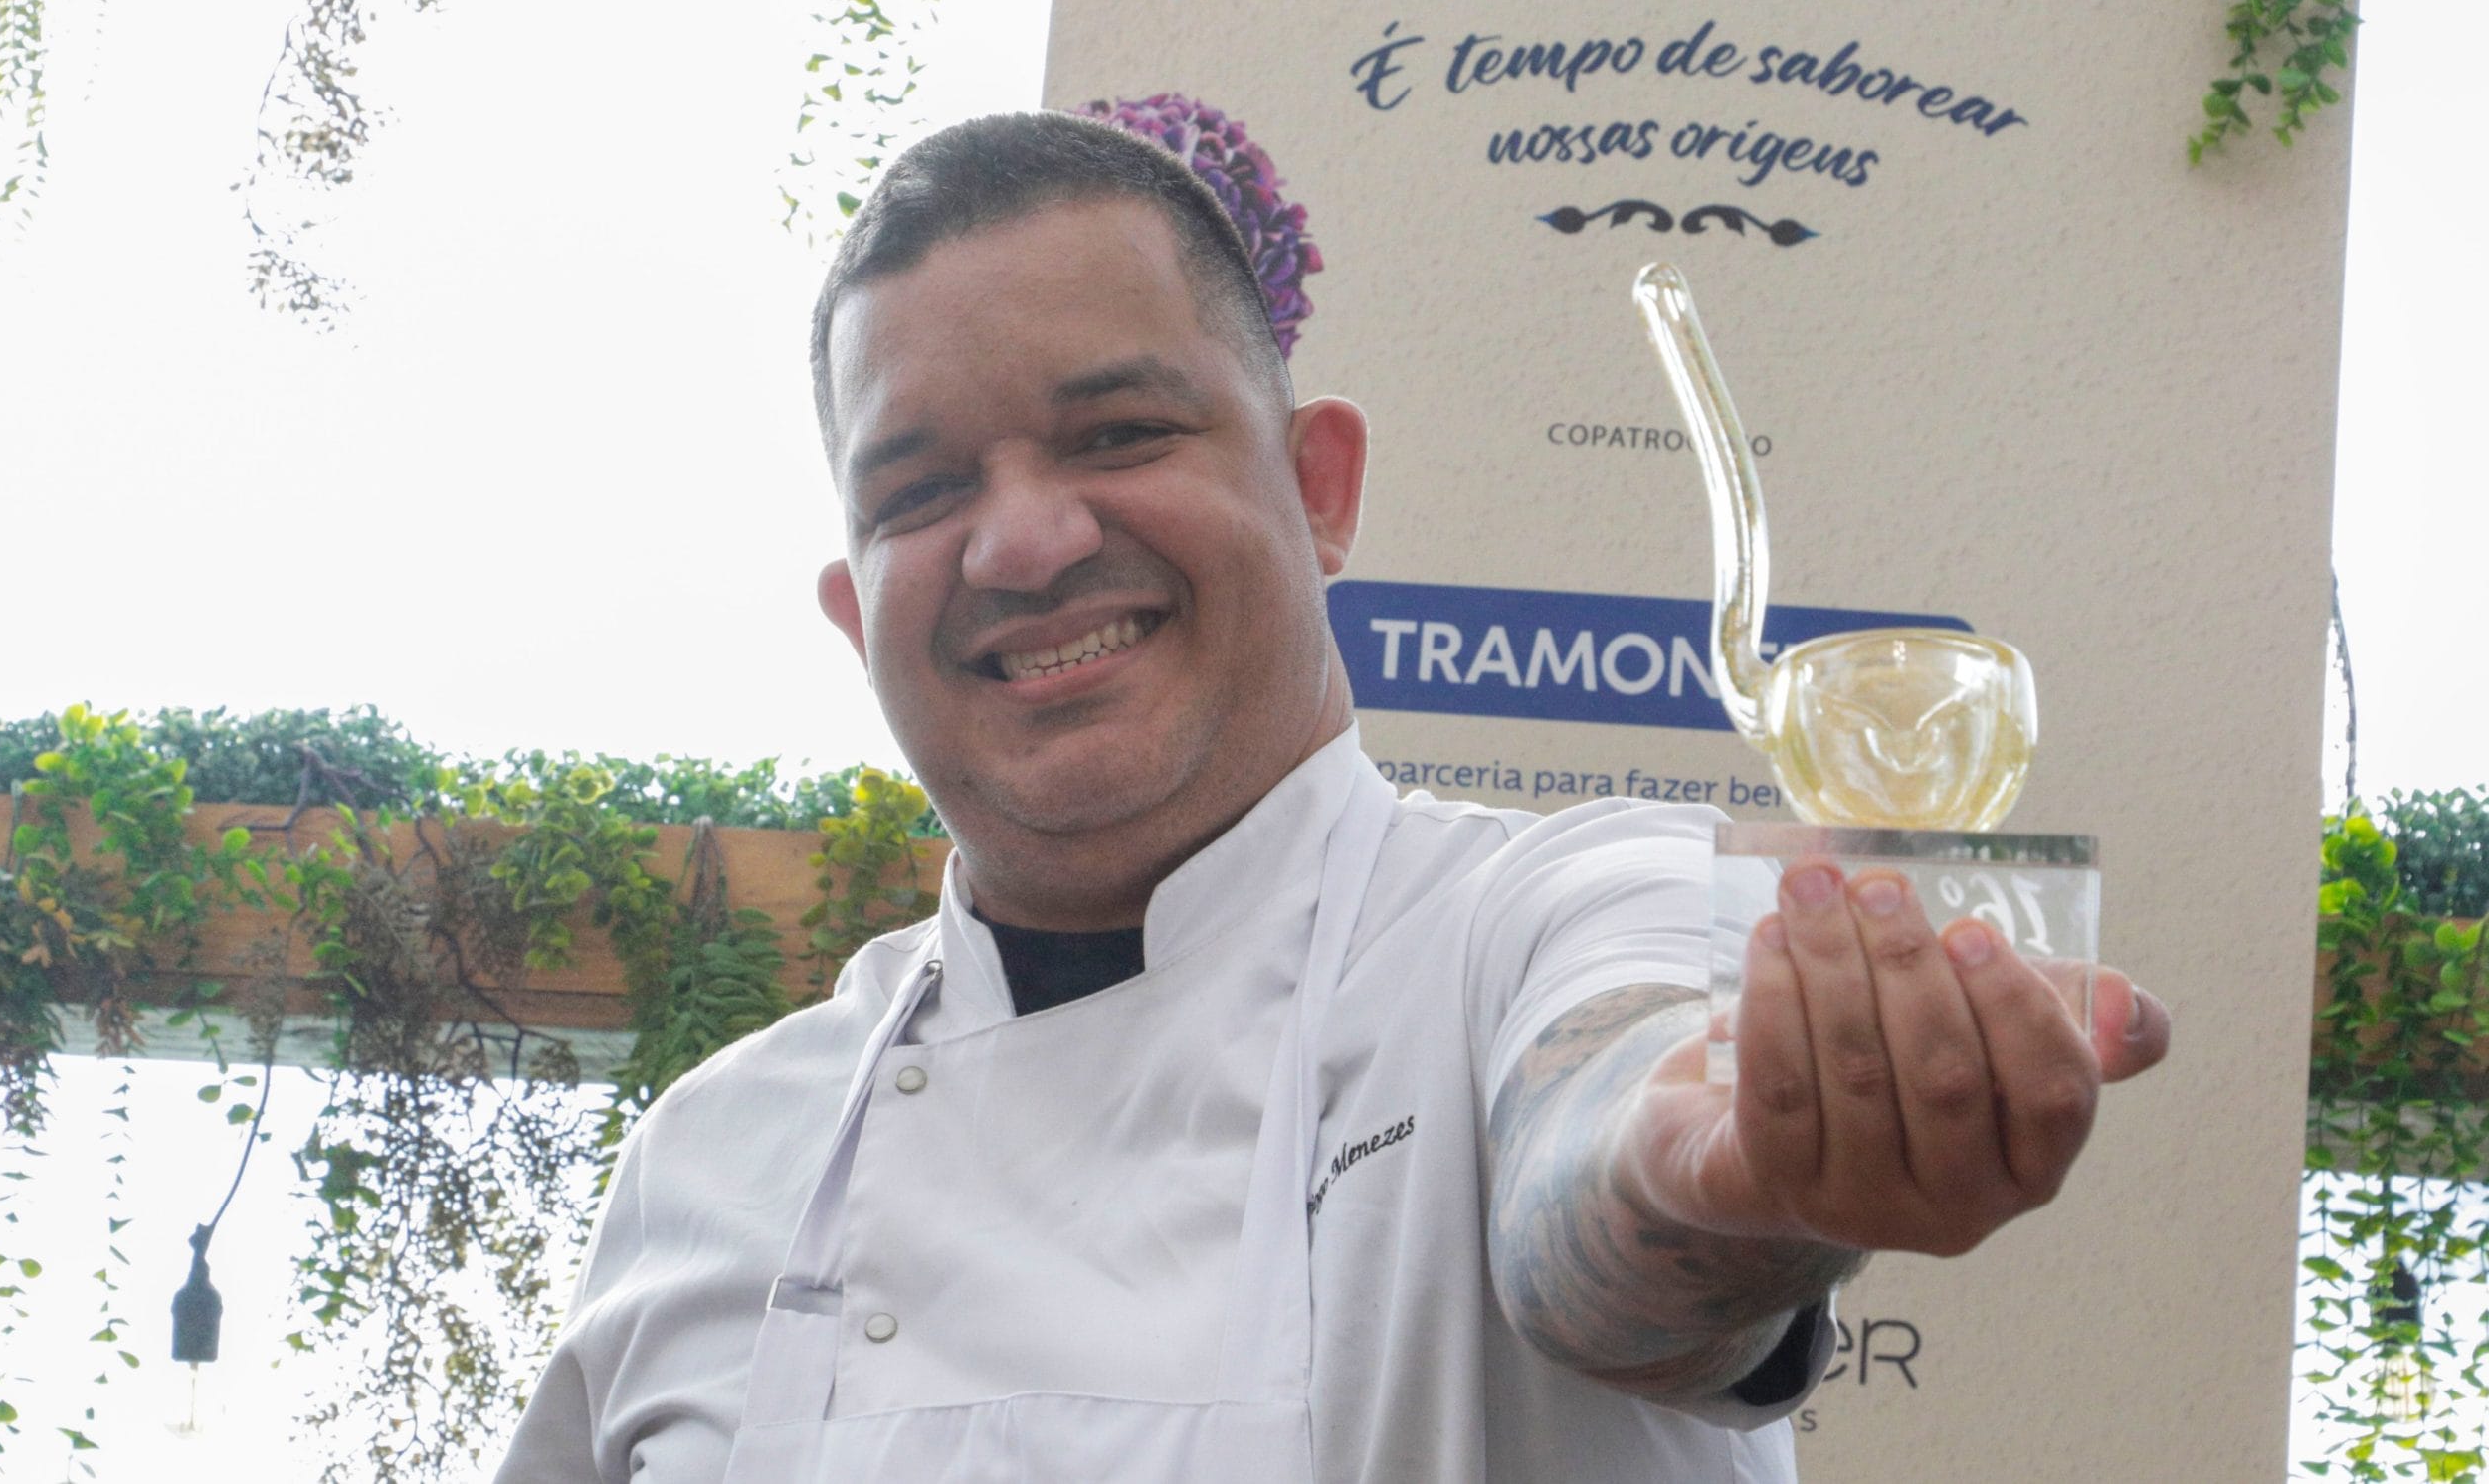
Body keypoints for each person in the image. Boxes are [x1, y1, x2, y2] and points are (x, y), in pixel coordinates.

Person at [494, 110, 2169, 1483]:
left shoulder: (1533, 921)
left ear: (1320, 489)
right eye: (922, 489)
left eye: (1118, 432)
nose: (1023, 542)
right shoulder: (716, 1154)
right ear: (855, 614)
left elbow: (1618, 1132)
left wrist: (1721, 1173)